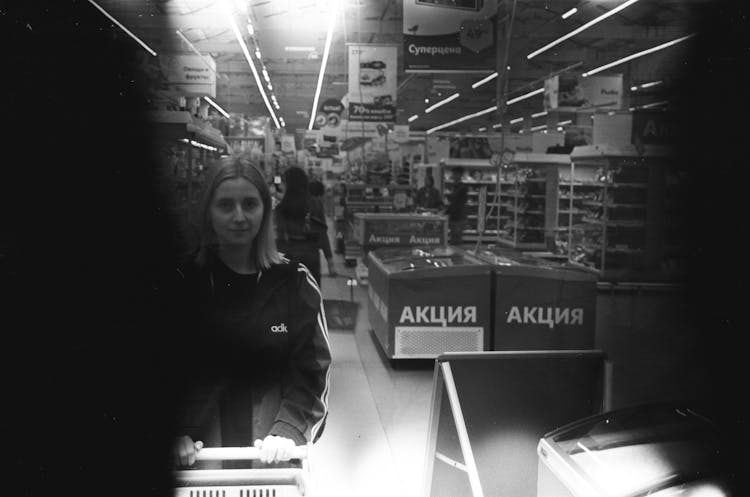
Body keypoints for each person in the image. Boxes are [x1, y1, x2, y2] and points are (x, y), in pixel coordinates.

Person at [171, 155, 332, 467]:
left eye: (249, 204)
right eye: (225, 205)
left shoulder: (295, 282)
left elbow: (312, 372)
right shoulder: (181, 282)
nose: (239, 216)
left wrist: (289, 430)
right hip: (198, 461)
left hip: (271, 456)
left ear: (265, 210)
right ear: (207, 212)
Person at [275, 167, 336, 283]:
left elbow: (280, 239)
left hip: (290, 258)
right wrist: (330, 262)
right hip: (311, 256)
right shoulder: (314, 203)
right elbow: (322, 234)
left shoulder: (281, 208)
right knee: (311, 295)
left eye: (283, 181)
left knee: (290, 296)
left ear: (289, 184)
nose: (281, 185)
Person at [445, 166, 468, 245]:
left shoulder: (462, 188)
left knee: (456, 239)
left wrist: (447, 211)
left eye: (455, 174)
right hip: (454, 217)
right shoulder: (455, 187)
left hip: (458, 217)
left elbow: (457, 203)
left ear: (459, 175)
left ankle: (457, 256)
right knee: (453, 238)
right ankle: (455, 256)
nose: (453, 176)